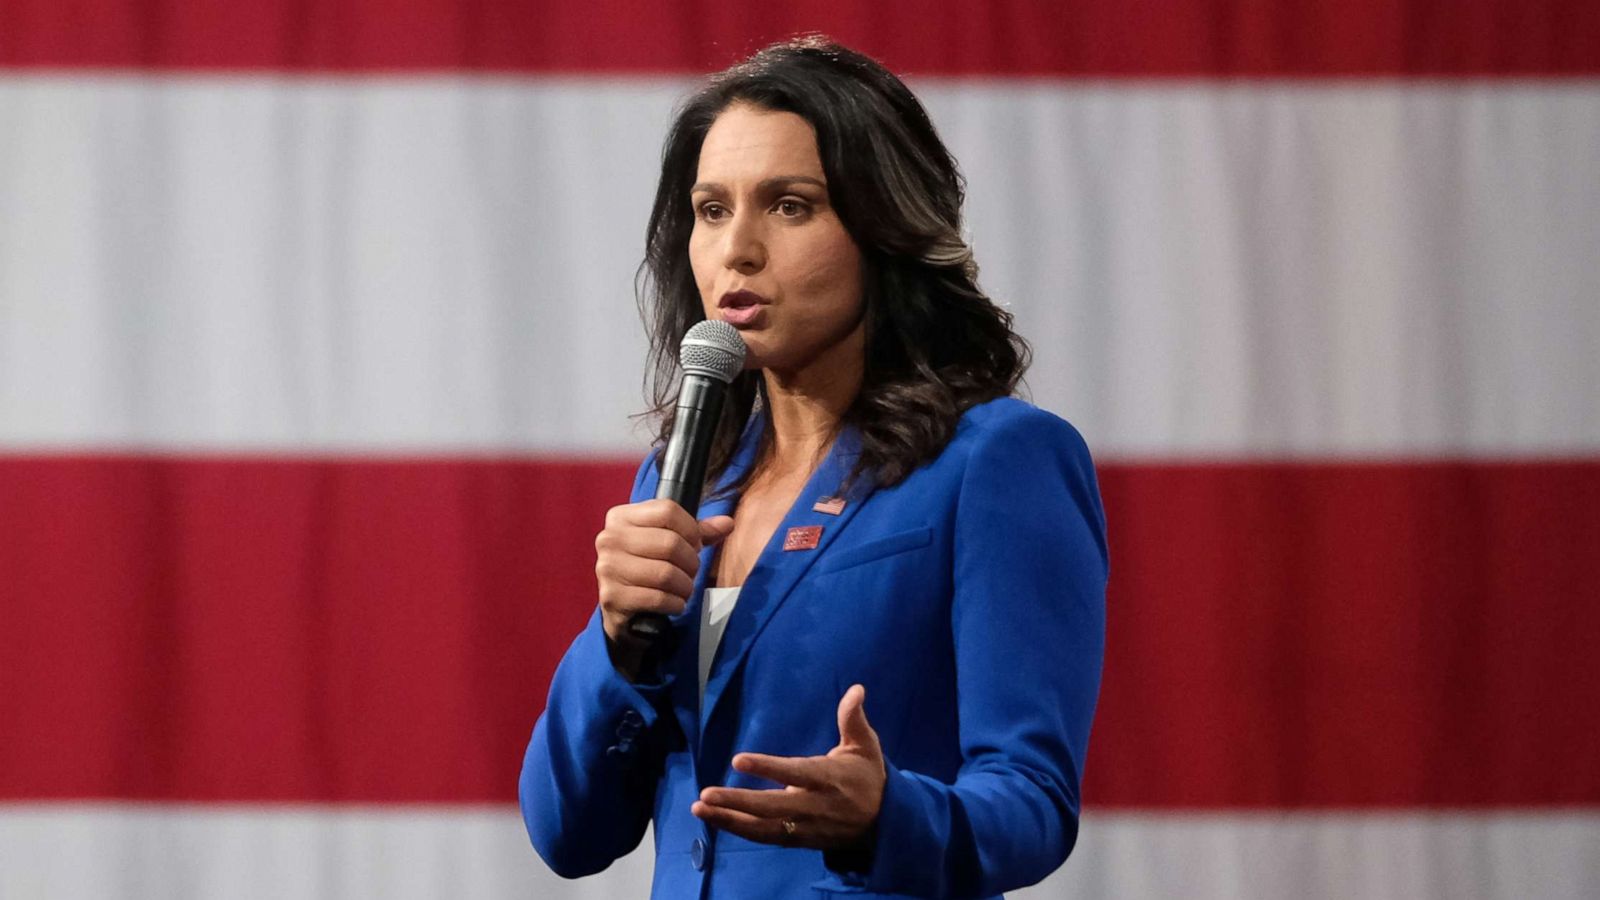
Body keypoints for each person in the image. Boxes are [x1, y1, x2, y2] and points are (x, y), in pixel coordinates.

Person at [520, 36, 1107, 899]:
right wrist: (615, 645)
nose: (738, 249)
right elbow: (567, 833)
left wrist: (887, 815)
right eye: (711, 210)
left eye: (789, 206)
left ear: (883, 226)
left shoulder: (997, 460)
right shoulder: (682, 482)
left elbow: (1033, 803)